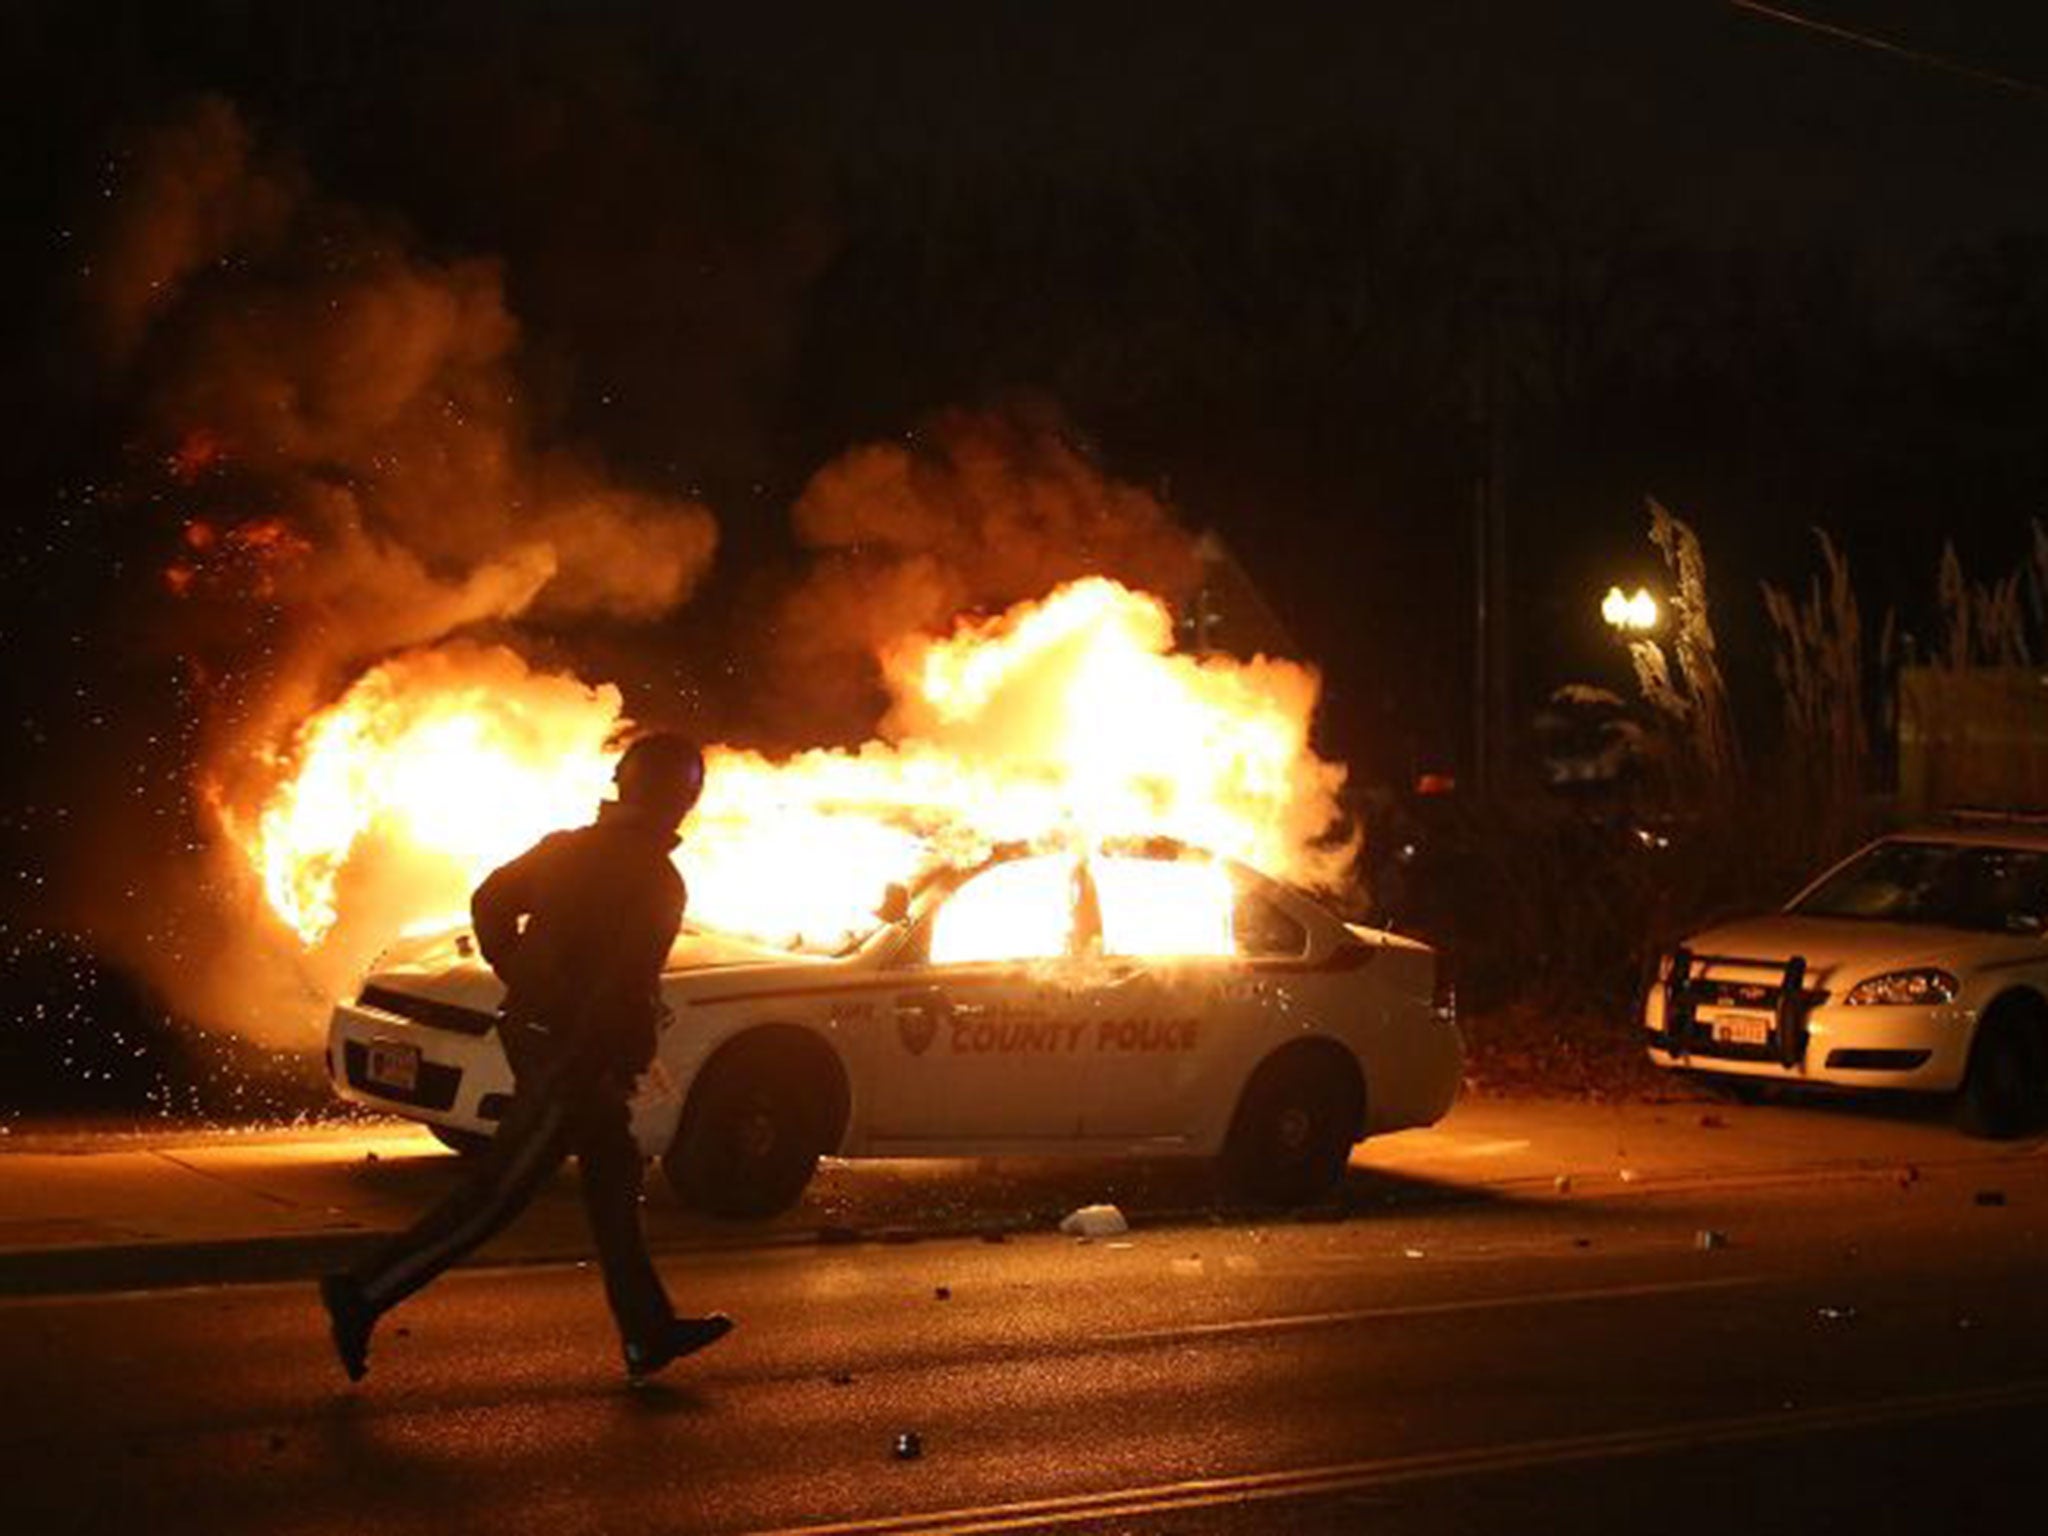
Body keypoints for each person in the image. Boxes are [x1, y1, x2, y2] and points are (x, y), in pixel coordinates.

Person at [319, 731, 731, 1385]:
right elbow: (621, 985)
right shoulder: (655, 878)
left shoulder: (567, 849)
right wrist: (607, 1054)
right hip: (577, 1058)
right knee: (497, 1196)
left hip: (548, 1038)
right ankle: (364, 1292)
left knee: (614, 1185)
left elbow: (490, 903)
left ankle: (647, 1331)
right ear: (679, 799)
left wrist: (520, 974)